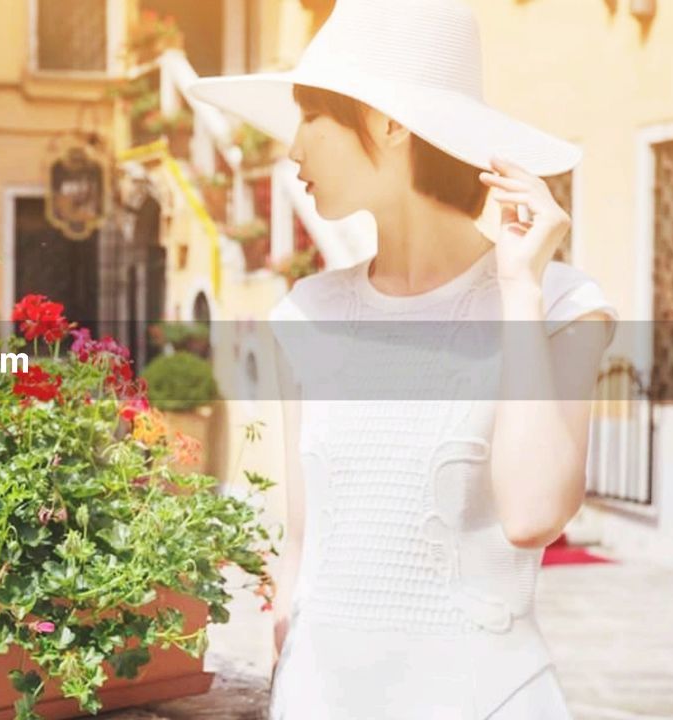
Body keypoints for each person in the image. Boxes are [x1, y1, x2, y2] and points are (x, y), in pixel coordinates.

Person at [190, 1, 618, 718]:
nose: (292, 149)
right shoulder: (307, 316)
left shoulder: (560, 306)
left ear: (389, 123)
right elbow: (305, 547)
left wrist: (519, 288)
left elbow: (534, 514)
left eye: (312, 117)